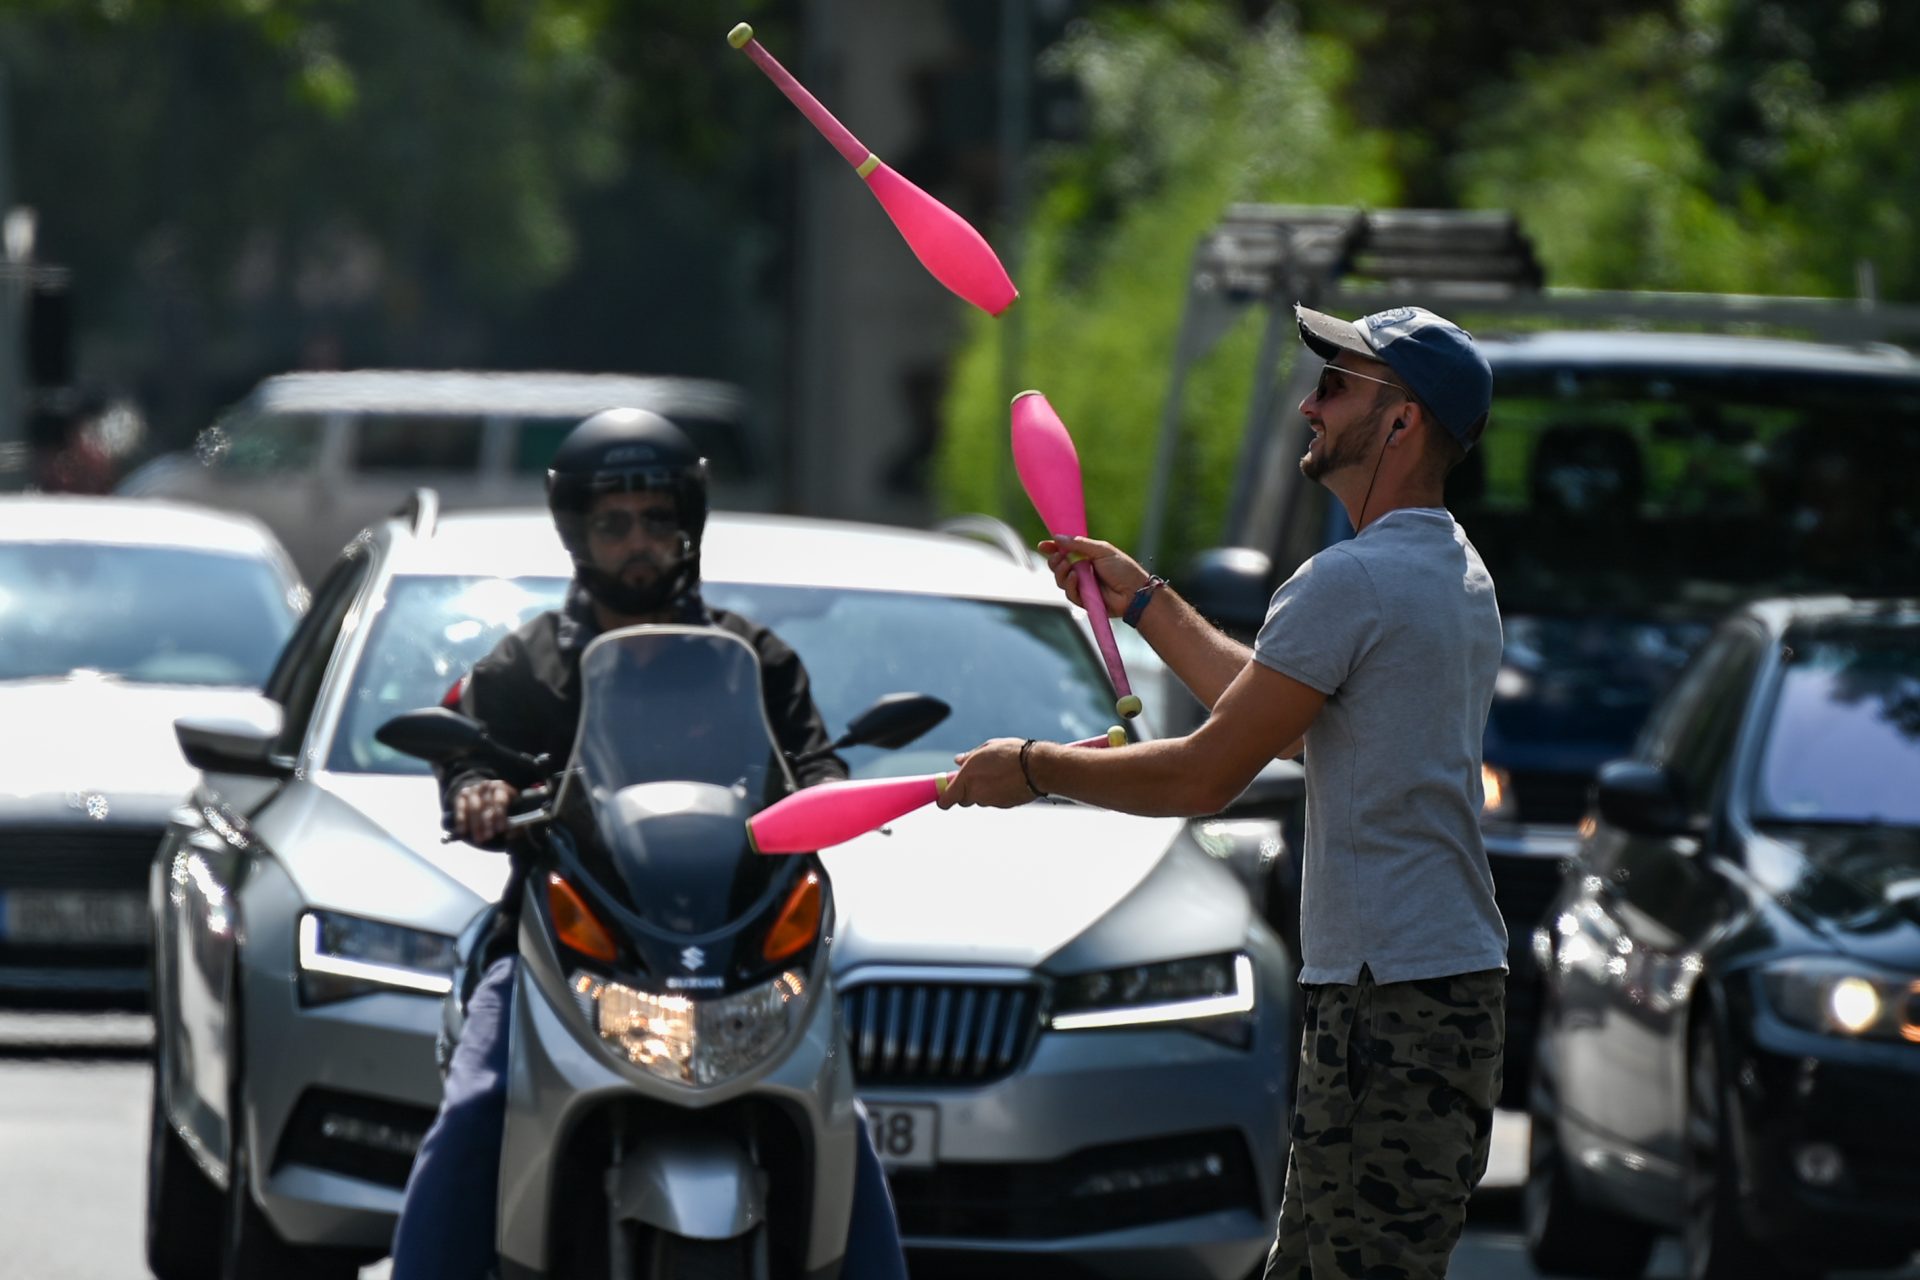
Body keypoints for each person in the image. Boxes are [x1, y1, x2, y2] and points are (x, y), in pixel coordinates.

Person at [940, 305, 1507, 1280]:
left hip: (1391, 997)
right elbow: (1282, 722)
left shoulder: (1353, 581)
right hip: (1427, 986)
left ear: (1403, 419)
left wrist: (1034, 766)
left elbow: (1205, 771)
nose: (1308, 403)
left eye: (1335, 385)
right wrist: (1145, 600)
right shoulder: (1448, 570)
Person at [390, 407, 908, 1280]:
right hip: (568, 945)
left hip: (742, 949)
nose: (638, 543)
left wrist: (837, 796)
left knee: (836, 1118)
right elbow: (463, 747)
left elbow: (812, 762)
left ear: (689, 528)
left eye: (657, 522)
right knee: (481, 1103)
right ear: (578, 534)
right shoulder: (521, 666)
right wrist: (475, 792)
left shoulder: (756, 658)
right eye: (614, 524)